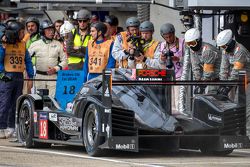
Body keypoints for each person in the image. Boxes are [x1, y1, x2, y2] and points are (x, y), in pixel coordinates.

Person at [0, 21, 34, 139]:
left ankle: (11, 127)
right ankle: (1, 127)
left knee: (16, 103)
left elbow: (28, 60)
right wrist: (3, 48)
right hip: (7, 76)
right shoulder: (4, 44)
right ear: (14, 33)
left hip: (19, 76)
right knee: (4, 103)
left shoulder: (23, 44)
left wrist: (31, 74)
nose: (23, 34)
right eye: (21, 32)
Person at [179, 28, 222, 114]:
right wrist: (198, 82)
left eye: (193, 43)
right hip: (210, 77)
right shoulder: (192, 50)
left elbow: (208, 72)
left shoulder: (207, 50)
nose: (191, 46)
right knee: (200, 95)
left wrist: (201, 86)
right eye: (188, 44)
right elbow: (195, 68)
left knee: (212, 96)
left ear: (198, 41)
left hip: (221, 76)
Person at [28, 20, 67, 97]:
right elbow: (26, 59)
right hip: (39, 77)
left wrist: (56, 69)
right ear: (42, 31)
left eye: (52, 30)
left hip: (53, 77)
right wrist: (30, 72)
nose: (51, 32)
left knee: (52, 101)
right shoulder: (35, 44)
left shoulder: (58, 44)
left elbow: (65, 60)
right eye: (49, 30)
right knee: (39, 100)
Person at [158, 23, 185, 115]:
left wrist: (178, 58)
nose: (169, 39)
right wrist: (162, 59)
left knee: (179, 101)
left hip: (180, 76)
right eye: (166, 37)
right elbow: (160, 64)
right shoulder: (162, 45)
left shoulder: (182, 42)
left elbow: (190, 60)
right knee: (170, 102)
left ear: (174, 33)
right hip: (168, 77)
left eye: (170, 36)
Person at [216, 29, 250, 97]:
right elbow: (224, 67)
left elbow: (236, 70)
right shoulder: (225, 51)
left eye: (224, 46)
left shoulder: (240, 51)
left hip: (247, 79)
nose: (223, 49)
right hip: (236, 79)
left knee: (242, 101)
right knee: (230, 99)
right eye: (222, 47)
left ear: (230, 43)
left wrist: (228, 87)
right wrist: (222, 84)